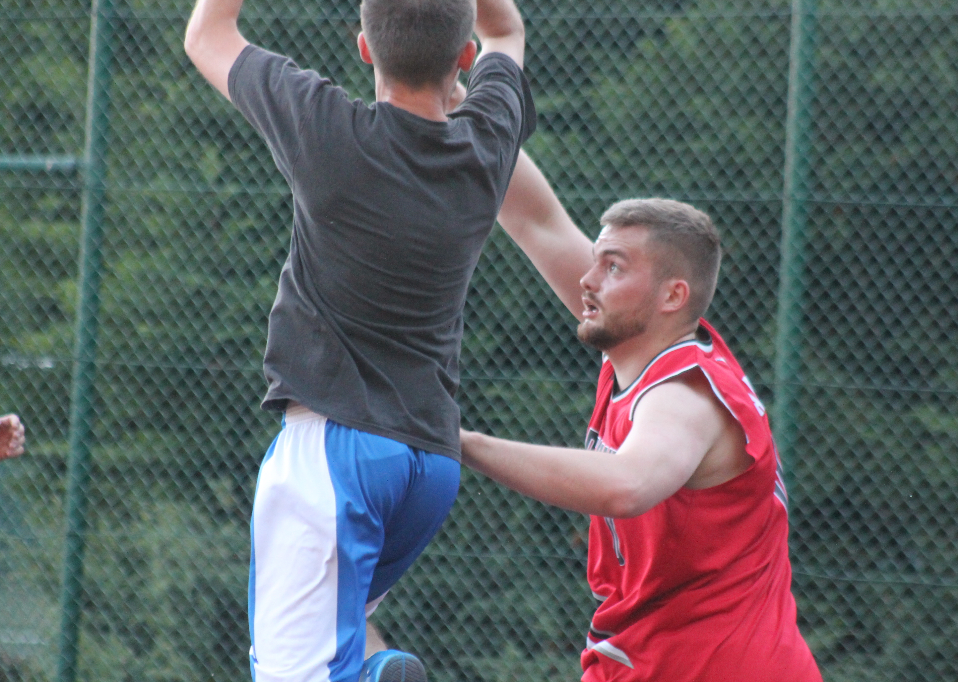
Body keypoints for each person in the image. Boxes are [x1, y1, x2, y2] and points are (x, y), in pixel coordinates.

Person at [183, 0, 535, 679]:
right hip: (430, 464)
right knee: (336, 641)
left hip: (335, 452)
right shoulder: (486, 145)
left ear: (364, 48)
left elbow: (207, 33)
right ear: (463, 59)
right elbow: (507, 30)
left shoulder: (325, 129)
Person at [460, 151, 823, 681]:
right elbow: (533, 219)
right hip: (653, 657)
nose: (587, 278)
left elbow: (626, 485)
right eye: (596, 259)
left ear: (673, 295)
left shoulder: (686, 395)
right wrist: (458, 102)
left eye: (613, 267)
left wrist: (461, 442)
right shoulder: (634, 348)